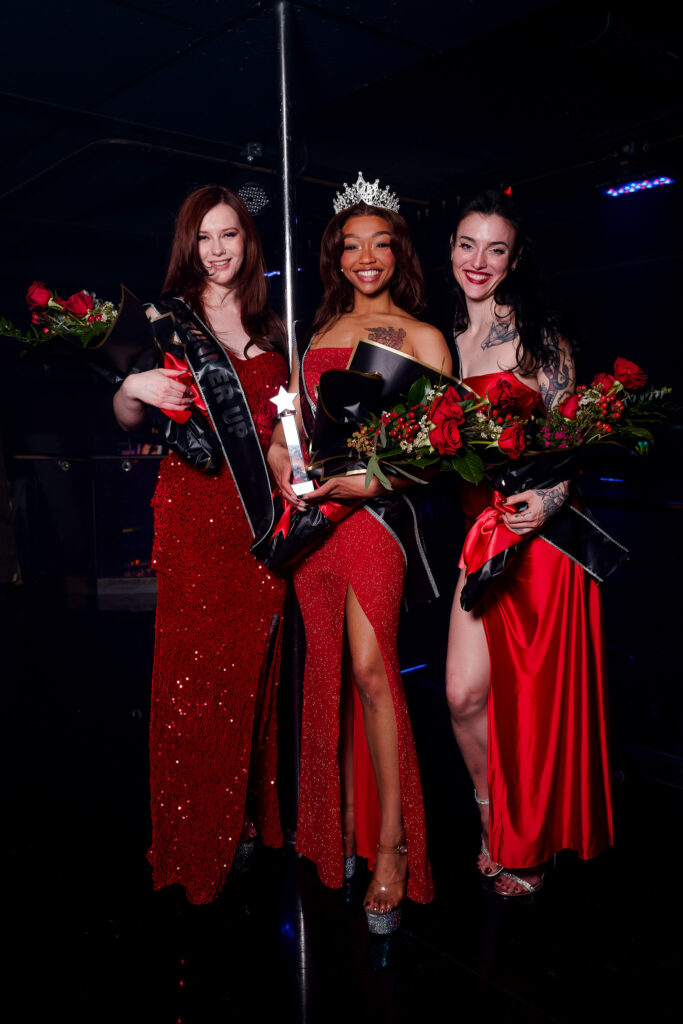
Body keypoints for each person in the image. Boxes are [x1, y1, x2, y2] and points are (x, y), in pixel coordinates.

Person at [268, 174, 452, 932]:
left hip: (375, 520)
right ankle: (332, 832)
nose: (365, 258)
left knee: (375, 674)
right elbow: (290, 429)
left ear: (398, 252)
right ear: (336, 256)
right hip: (316, 523)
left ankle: (394, 849)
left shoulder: (424, 338)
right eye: (352, 246)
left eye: (380, 244)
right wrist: (284, 468)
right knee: (325, 677)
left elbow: (438, 454)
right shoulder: (314, 335)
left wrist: (374, 483)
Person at [113, 185, 289, 904]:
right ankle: (194, 833)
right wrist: (135, 386)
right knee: (190, 683)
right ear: (189, 244)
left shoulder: (273, 329)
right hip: (191, 518)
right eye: (205, 237)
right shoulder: (167, 321)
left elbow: (280, 441)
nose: (217, 250)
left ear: (248, 242)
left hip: (256, 520)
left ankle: (241, 817)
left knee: (251, 676)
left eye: (230, 235)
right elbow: (126, 415)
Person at [444, 189, 613, 896]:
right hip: (477, 533)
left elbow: (574, 443)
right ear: (451, 249)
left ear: (513, 261)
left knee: (532, 703)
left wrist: (546, 502)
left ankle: (527, 840)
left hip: (537, 538)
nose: (478, 261)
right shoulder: (442, 345)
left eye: (496, 248)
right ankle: (492, 814)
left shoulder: (539, 339)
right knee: (462, 694)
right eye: (467, 244)